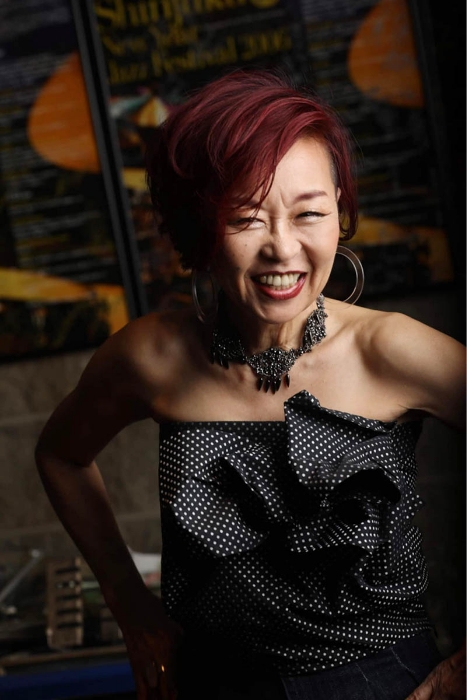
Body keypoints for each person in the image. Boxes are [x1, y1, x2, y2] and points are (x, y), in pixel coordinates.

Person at [35, 70, 465, 700]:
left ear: (339, 213)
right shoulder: (149, 355)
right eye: (245, 218)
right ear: (200, 230)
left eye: (309, 213)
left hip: (381, 683)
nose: (282, 249)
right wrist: (129, 603)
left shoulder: (393, 350)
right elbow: (61, 455)